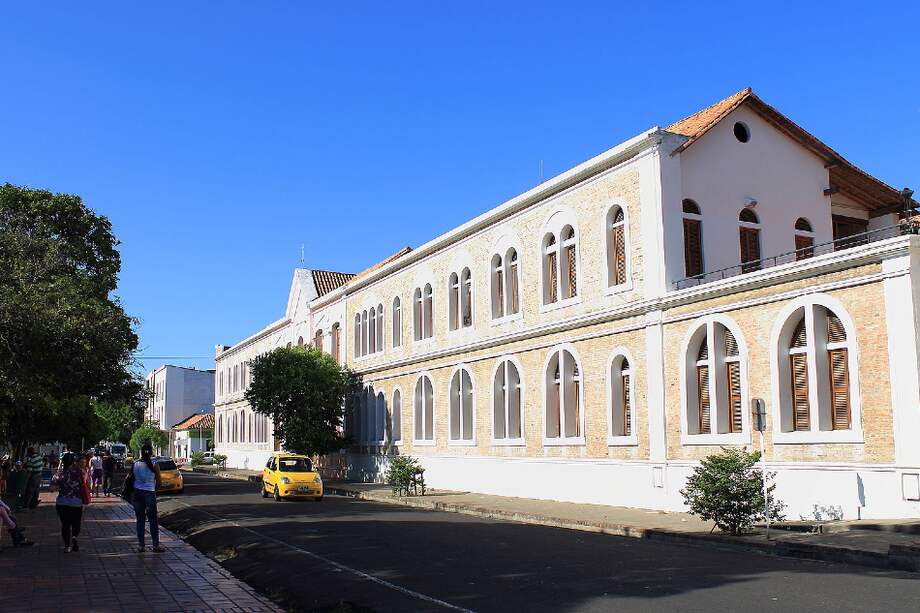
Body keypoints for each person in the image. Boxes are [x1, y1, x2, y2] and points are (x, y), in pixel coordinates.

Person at [131, 444, 164, 553]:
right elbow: (159, 481)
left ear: (141, 452)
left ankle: (141, 546)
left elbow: (131, 479)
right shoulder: (154, 464)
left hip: (137, 493)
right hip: (149, 493)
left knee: (140, 520)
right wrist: (156, 491)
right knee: (153, 520)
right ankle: (155, 545)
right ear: (151, 452)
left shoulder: (135, 464)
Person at [53, 452, 86, 552]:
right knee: (76, 522)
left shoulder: (59, 474)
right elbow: (84, 484)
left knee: (65, 524)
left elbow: (52, 487)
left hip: (62, 502)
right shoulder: (79, 472)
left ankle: (67, 546)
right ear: (73, 462)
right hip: (76, 502)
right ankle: (74, 537)